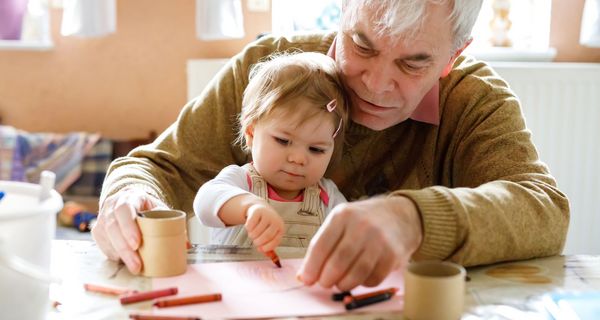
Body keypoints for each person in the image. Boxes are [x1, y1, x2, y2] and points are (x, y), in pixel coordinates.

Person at [93, 0, 569, 292]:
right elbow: (160, 167)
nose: (377, 84)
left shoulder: (474, 101)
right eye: (362, 45)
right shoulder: (269, 71)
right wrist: (128, 197)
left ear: (452, 57)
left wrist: (413, 218)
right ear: (342, 11)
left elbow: (544, 209)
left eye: (413, 63)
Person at [193, 52, 348, 252]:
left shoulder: (327, 196)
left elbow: (351, 233)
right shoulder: (241, 181)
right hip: (239, 282)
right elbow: (204, 204)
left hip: (301, 282)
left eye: (316, 149)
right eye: (283, 141)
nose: (299, 159)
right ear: (251, 133)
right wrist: (248, 206)